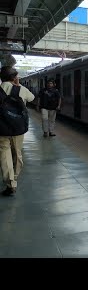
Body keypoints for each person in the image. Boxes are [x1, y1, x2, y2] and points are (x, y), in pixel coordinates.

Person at [0, 66, 35, 196]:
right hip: (18, 127)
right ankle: (14, 177)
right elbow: (32, 98)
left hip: (1, 128)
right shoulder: (21, 89)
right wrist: (18, 85)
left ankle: (10, 183)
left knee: (4, 154)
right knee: (17, 153)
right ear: (14, 77)